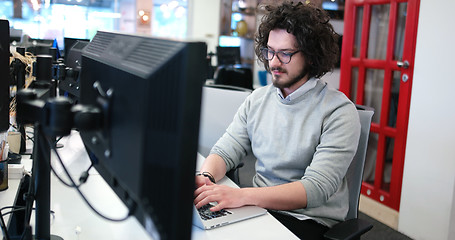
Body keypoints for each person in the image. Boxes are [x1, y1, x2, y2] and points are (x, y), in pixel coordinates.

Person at [194, 1, 360, 239]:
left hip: (307, 219)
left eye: (285, 54)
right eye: (270, 51)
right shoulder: (258, 99)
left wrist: (242, 196)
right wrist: (206, 178)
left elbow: (315, 189)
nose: (273, 62)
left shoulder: (339, 111)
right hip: (259, 208)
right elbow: (226, 149)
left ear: (312, 56)